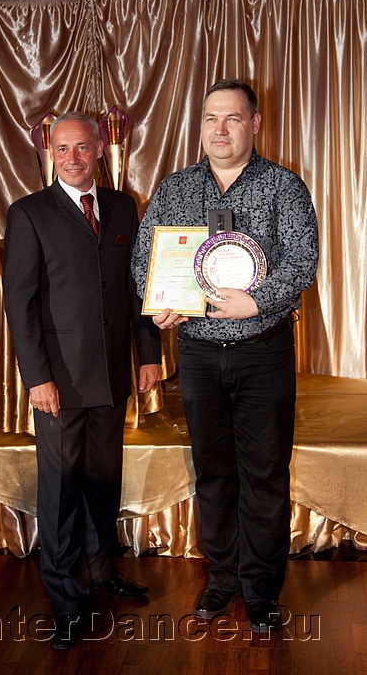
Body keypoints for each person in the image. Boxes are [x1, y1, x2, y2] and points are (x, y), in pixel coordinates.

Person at [131, 80, 318, 633]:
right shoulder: (175, 189)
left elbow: (302, 259)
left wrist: (256, 301)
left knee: (264, 474)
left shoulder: (283, 187)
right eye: (211, 118)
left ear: (253, 124)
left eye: (232, 118)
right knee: (213, 471)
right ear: (201, 125)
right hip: (198, 354)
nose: (220, 129)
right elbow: (145, 259)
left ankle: (260, 589)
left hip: (264, 352)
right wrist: (159, 303)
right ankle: (223, 578)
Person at [3, 111, 162, 649]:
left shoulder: (123, 206)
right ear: (51, 153)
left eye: (82, 147)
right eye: (62, 149)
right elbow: (20, 304)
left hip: (113, 376)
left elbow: (137, 288)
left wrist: (148, 354)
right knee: (61, 492)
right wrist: (37, 378)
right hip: (59, 383)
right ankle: (67, 601)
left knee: (102, 482)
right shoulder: (28, 213)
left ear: (98, 149)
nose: (73, 158)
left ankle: (101, 570)